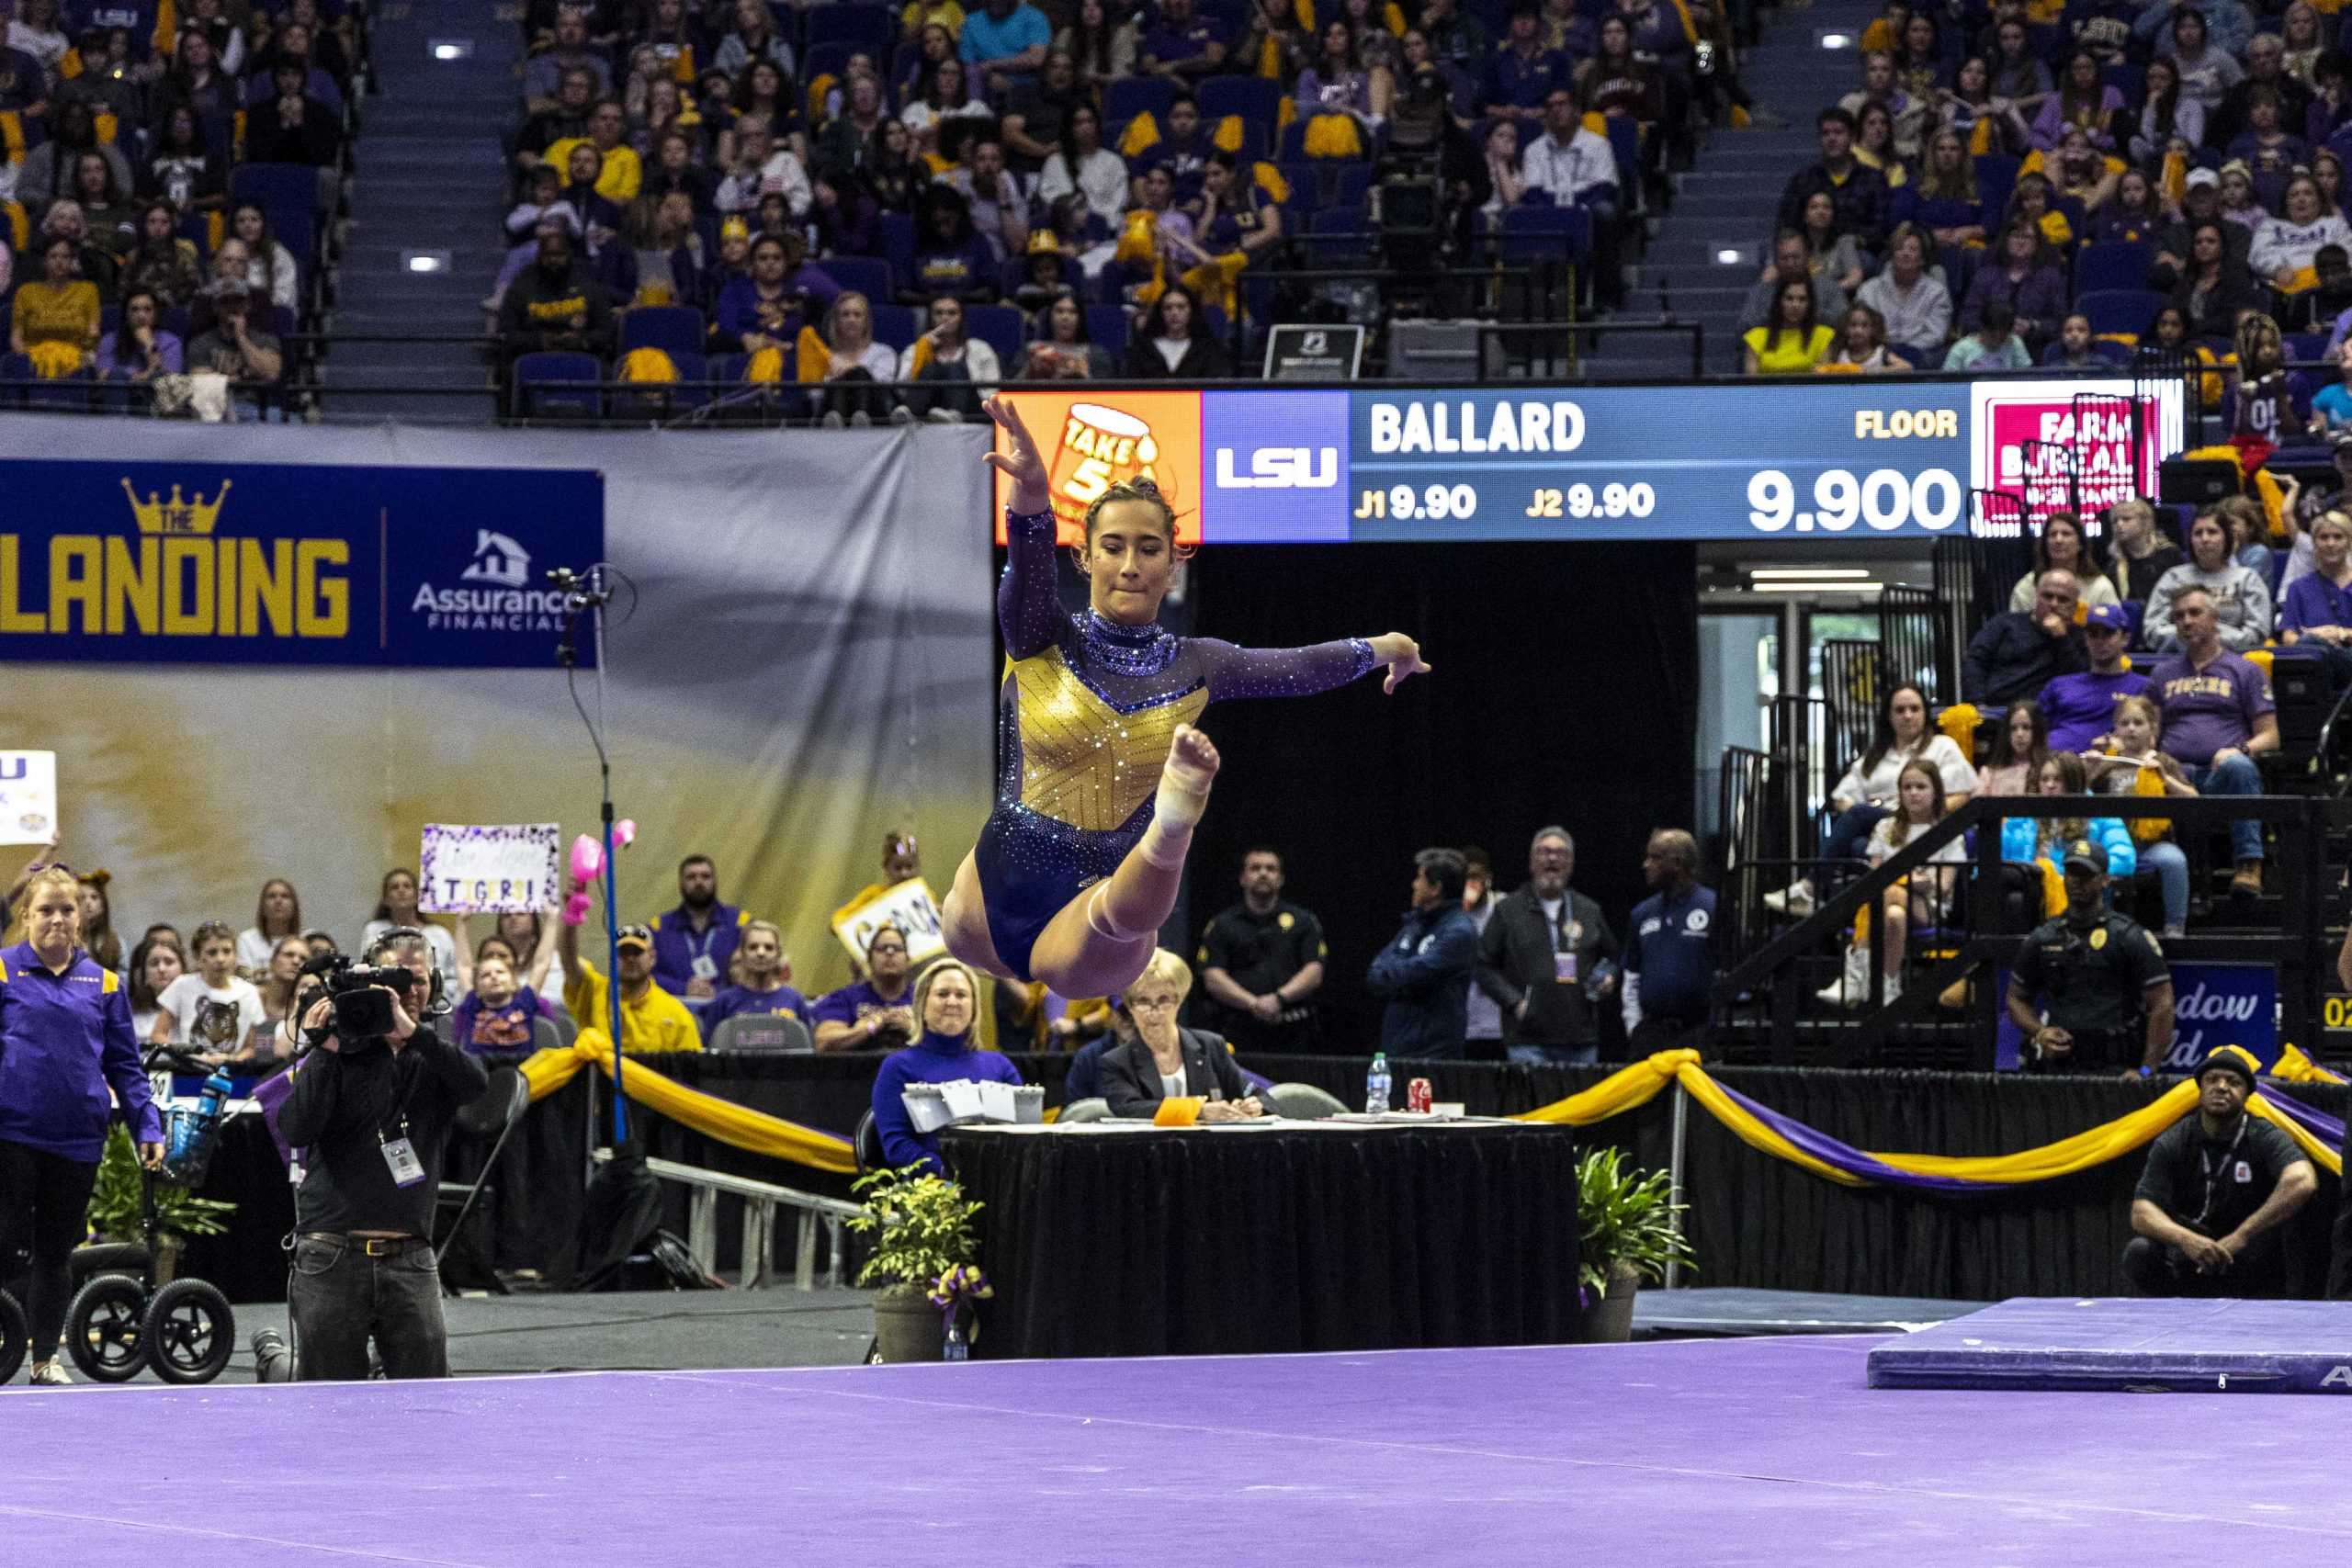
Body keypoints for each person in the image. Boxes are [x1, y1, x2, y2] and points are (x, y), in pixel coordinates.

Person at [942, 398, 1427, 999]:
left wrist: (1387, 645)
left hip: (1100, 910)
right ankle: (1166, 831)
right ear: (1086, 555)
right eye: (1113, 546)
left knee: (1110, 934)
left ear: (1175, 562)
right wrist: (1032, 495)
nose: (1130, 564)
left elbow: (1297, 666)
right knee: (993, 939)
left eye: (1149, 549)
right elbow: (1028, 559)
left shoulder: (1198, 664)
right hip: (986, 904)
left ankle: (1173, 824)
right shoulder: (1039, 631)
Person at [277, 927, 489, 1380]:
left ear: (433, 983)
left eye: (418, 979)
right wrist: (326, 1053)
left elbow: (479, 1088)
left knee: (426, 1406)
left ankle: (276, 1362)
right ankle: (275, 1362)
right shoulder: (340, 1051)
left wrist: (414, 1035)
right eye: (396, 980)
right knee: (327, 1406)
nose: (408, 991)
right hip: (331, 1252)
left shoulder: (434, 1058)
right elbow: (296, 1127)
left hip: (410, 1257)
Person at [0, 866, 163, 1385]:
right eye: (45, 909)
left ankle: (45, 1360)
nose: (56, 919)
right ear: (26, 915)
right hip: (11, 1135)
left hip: (77, 1141)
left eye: (66, 910)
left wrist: (148, 1126)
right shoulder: (3, 971)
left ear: (81, 918)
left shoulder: (105, 982)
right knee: (5, 1246)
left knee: (55, 1252)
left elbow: (126, 1067)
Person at [1767, 681, 1974, 917]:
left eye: (1915, 709)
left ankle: (1810, 887)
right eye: (1899, 710)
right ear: (1888, 716)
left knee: (1858, 816)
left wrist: (1924, 808)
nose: (1907, 716)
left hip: (1926, 823)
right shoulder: (1876, 754)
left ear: (1925, 713)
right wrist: (1859, 807)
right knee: (1857, 844)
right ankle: (1860, 917)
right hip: (1882, 827)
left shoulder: (1942, 747)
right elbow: (1841, 797)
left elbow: (1966, 792)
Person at [2124, 1045, 2316, 1297]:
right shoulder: (2176, 1138)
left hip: (2245, 1255)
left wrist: (2242, 1236)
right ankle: (2167, 1319)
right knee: (2140, 1251)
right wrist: (2186, 1240)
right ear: (2200, 1090)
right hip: (2191, 1254)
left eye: (2233, 1082)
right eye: (2212, 1080)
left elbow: (2303, 1180)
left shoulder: (2262, 1134)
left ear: (2247, 1094)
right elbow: (2142, 1212)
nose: (2222, 1087)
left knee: (2278, 1245)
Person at [2145, 586, 2278, 898]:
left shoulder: (2245, 670)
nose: (2186, 621)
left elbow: (2271, 736)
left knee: (2239, 766)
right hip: (2175, 774)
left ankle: (2248, 865)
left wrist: (2240, 748)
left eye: (2194, 613)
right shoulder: (2162, 673)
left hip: (2222, 774)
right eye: (2178, 616)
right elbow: (2150, 732)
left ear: (2215, 618)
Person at [2007, 840, 2176, 1076]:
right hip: (2059, 1068)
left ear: (2105, 880)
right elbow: (2016, 997)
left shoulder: (2128, 936)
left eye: (2087, 875)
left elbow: (2162, 1003)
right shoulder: (2044, 937)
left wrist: (2147, 1070)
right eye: (2072, 873)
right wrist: (2039, 1032)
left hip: (2116, 1068)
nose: (2078, 882)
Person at [1818, 760, 1967, 1007]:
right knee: (1895, 914)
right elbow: (1873, 876)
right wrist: (1907, 880)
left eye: (1921, 787)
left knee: (1891, 890)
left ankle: (1854, 974)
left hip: (1929, 906)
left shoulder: (1949, 831)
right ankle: (1889, 985)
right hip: (1886, 903)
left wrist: (1914, 882)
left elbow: (1943, 887)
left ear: (1936, 791)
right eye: (1907, 787)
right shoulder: (1886, 827)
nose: (1913, 793)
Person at [1474, 827, 1618, 1066]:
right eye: (1544, 852)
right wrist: (1515, 1003)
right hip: (1527, 1040)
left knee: (1582, 1105)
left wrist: (1608, 977)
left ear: (1570, 863)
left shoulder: (1588, 910)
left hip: (1580, 1038)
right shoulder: (1508, 910)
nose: (1552, 858)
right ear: (1532, 862)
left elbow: (1612, 956)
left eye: (1560, 853)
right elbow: (1482, 965)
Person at [868, 959, 1022, 1173]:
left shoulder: (1001, 1066)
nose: (952, 1002)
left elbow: (1023, 1138)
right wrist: (947, 1172)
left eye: (961, 995)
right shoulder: (897, 1067)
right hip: (931, 1190)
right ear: (922, 1005)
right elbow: (896, 1146)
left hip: (996, 1185)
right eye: (942, 994)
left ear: (974, 1008)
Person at [1099, 947, 1269, 1120]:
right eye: (1143, 1001)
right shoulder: (1116, 1061)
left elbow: (1259, 1095)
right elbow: (1129, 1108)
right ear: (1130, 1007)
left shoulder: (1210, 1045)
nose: (1154, 1012)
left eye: (1164, 1000)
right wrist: (1198, 1111)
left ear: (1179, 1001)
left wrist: (1254, 1106)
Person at [2084, 694, 2199, 938]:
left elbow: (2193, 799)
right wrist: (2093, 769)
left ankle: (2175, 928)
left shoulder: (2164, 761)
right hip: (2112, 843)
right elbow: (2079, 796)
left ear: (2152, 728)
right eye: (2124, 723)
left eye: (2138, 723)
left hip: (2152, 845)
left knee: (2174, 861)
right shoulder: (2107, 763)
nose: (2131, 729)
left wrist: (2165, 778)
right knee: (2096, 860)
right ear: (2116, 729)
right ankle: (2097, 924)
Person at [1193, 847, 1327, 1052]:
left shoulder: (1304, 921)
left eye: (1271, 869)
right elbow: (1212, 977)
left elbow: (1314, 971)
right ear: (1242, 878)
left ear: (1280, 878)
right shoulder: (1222, 924)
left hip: (1294, 1030)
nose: (1263, 873)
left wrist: (1279, 999)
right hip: (1237, 1028)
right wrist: (1253, 1003)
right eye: (1255, 868)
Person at [1366, 847, 1481, 1059]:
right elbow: (1374, 975)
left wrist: (1394, 973)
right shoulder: (1414, 924)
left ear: (1436, 888)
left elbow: (1418, 972)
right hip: (1397, 1047)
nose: (1414, 885)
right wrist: (1397, 974)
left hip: (1435, 1054)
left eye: (1419, 878)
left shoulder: (1460, 931)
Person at [555, 906, 702, 1054]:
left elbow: (692, 1070)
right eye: (623, 952)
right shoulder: (593, 993)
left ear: (652, 957)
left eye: (637, 952)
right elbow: (569, 959)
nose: (630, 958)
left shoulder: (676, 1014)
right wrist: (572, 914)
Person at [1623, 829, 1714, 1056]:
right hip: (1651, 1034)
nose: (1646, 865)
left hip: (1699, 1032)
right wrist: (1633, 1028)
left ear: (1676, 863)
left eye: (1654, 857)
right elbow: (1631, 977)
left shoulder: (1713, 906)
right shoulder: (1642, 913)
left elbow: (1727, 970)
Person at [2143, 512, 2274, 653]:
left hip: (2235, 659)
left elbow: (2258, 633)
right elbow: (2153, 631)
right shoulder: (2174, 577)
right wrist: (2191, 636)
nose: (2205, 539)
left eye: (2212, 532)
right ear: (2190, 541)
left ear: (2227, 539)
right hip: (2177, 658)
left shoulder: (2247, 578)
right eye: (2198, 533)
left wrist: (2212, 636)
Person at [151, 919, 271, 1064]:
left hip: (232, 1073)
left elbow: (255, 1047)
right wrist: (186, 1054)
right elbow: (158, 1034)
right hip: (187, 1070)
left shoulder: (249, 992)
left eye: (227, 951)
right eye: (212, 953)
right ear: (198, 956)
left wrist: (232, 1059)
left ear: (235, 955)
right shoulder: (182, 985)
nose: (220, 959)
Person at [1963, 570, 2089, 707]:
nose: (2054, 604)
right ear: (2036, 596)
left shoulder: (2081, 637)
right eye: (2047, 596)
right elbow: (1974, 661)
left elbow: (2081, 681)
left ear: (2075, 606)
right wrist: (1978, 703)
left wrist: (2062, 638)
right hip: (1996, 707)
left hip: (2047, 716)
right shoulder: (2004, 623)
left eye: (2063, 599)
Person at [2038, 603, 2153, 752]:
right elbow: (2033, 728)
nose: (2099, 641)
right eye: (2093, 634)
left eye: (2108, 633)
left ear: (2125, 638)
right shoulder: (2059, 685)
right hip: (2054, 766)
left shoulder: (2142, 686)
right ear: (2085, 639)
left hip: (2112, 765)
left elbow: (2150, 736)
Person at [1778, 107, 1887, 247]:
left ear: (1852, 137)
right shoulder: (1804, 179)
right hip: (1810, 251)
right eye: (1826, 133)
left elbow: (1880, 227)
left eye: (1839, 132)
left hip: (1857, 251)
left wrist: (1849, 241)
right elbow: (1787, 222)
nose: (1832, 138)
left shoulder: (1873, 179)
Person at [647, 853, 748, 1000]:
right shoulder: (659, 929)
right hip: (674, 1012)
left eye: (705, 876)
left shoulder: (740, 924)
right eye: (691, 877)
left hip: (727, 1011)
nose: (699, 882)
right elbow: (646, 975)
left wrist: (718, 992)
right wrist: (683, 988)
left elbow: (753, 972)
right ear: (681, 883)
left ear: (715, 882)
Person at [186, 276, 286, 421]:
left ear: (247, 305)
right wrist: (242, 377)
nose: (232, 307)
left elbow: (271, 373)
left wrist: (241, 338)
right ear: (215, 307)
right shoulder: (200, 343)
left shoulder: (265, 339)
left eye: (238, 301)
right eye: (225, 302)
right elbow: (200, 380)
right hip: (216, 409)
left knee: (276, 416)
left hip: (257, 409)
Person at [811, 924, 920, 1050]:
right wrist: (870, 1027)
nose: (890, 952)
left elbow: (946, 1041)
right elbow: (824, 1042)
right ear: (869, 958)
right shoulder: (842, 999)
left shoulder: (926, 997)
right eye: (881, 948)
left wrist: (914, 1029)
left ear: (908, 959)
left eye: (898, 948)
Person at [1855, 221, 1951, 360]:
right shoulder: (1869, 290)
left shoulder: (1937, 292)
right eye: (1900, 248)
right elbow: (1862, 327)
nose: (1905, 253)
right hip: (1877, 353)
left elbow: (1936, 334)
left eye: (1912, 249)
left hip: (1920, 355)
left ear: (1922, 259)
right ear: (1892, 255)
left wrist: (1905, 352)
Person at [898, 293, 1000, 422]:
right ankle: (909, 417)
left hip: (971, 408)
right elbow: (901, 389)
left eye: (952, 313)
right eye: (938, 313)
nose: (945, 318)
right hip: (929, 409)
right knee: (930, 369)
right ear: (931, 317)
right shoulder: (916, 349)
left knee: (954, 368)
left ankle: (954, 413)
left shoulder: (980, 348)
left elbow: (992, 391)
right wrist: (922, 352)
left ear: (961, 318)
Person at [700, 919, 808, 1040]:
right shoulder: (724, 1001)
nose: (761, 953)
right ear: (742, 953)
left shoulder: (795, 1000)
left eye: (769, 948)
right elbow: (709, 1050)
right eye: (753, 947)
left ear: (778, 954)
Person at [2280, 509, 2352, 690]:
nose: (2330, 543)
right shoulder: (2298, 587)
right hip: (2314, 665)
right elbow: (2288, 636)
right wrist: (2315, 639)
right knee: (2310, 647)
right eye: (2324, 537)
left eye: (2338, 537)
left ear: (2349, 542)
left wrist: (2340, 634)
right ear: (2314, 543)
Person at [362, 869, 459, 1001]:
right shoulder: (374, 930)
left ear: (417, 896)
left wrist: (434, 998)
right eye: (394, 887)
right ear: (385, 899)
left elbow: (452, 978)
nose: (401, 890)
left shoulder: (439, 934)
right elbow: (368, 969)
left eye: (407, 886)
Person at [1737, 229, 1849, 335]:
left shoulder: (1829, 288)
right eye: (1784, 258)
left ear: (1807, 257)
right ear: (1775, 261)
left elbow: (1844, 324)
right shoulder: (1762, 291)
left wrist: (1808, 312)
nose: (1790, 263)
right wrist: (1778, 314)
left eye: (1796, 257)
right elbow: (1744, 328)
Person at [2008, 513, 2118, 615]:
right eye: (2052, 534)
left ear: (2080, 544)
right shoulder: (2027, 586)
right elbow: (2016, 628)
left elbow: (2116, 630)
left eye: (2066, 534)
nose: (2058, 540)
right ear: (2045, 544)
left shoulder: (2099, 586)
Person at [1120, 282, 1231, 378]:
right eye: (1168, 308)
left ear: (1191, 311)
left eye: (1181, 307)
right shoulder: (1142, 349)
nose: (1174, 313)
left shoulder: (1209, 348)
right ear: (1160, 313)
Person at [450, 951, 546, 1052]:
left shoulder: (524, 1002)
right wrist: (461, 933)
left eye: (500, 972)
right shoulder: (473, 1004)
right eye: (486, 975)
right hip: (479, 1067)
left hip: (520, 1066)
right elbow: (463, 966)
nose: (494, 976)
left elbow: (542, 964)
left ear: (513, 982)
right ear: (477, 988)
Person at [1743, 275, 1834, 374]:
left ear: (1809, 304)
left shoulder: (1823, 336)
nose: (1795, 305)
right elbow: (1751, 384)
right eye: (1789, 298)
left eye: (1802, 299)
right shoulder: (1756, 337)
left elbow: (1823, 382)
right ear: (1779, 302)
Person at [2106, 498, 2186, 608]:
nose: (2119, 524)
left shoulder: (2170, 555)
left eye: (2126, 519)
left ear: (2145, 521)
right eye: (2115, 521)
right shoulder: (2115, 566)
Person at [1978, 700, 2050, 798]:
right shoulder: (1989, 774)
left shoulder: (2049, 771)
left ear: (2037, 731)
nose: (2019, 734)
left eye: (2026, 727)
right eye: (2013, 728)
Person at [127, 933, 184, 1043]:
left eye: (169, 962)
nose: (161, 969)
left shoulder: (196, 1011)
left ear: (183, 969)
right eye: (154, 964)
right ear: (145, 976)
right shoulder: (132, 1018)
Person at [239, 877, 302, 974]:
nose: (278, 901)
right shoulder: (246, 941)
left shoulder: (304, 942)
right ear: (262, 907)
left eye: (285, 896)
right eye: (272, 896)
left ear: (294, 906)